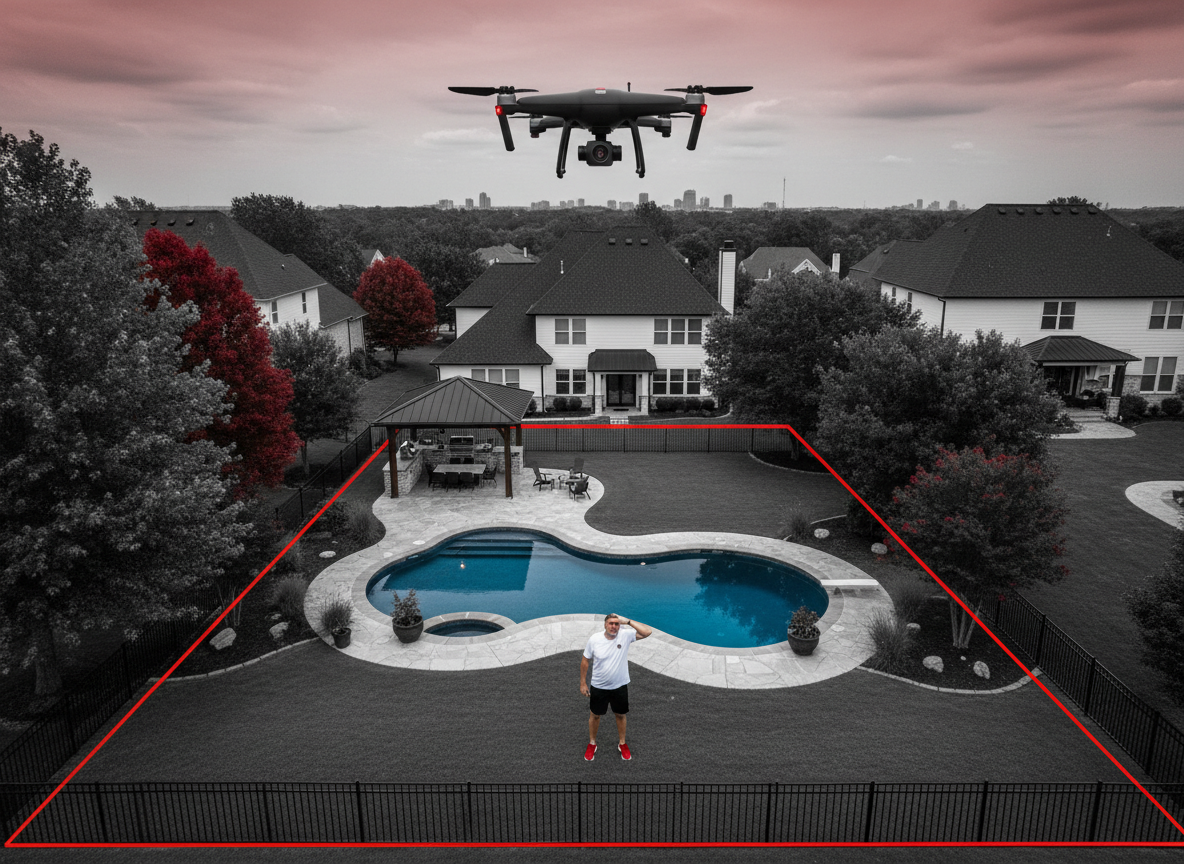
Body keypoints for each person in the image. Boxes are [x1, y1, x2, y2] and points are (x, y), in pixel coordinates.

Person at [579, 613, 652, 761]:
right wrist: (583, 683)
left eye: (616, 624)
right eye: (611, 623)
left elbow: (647, 632)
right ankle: (592, 743)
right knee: (595, 715)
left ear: (620, 625)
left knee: (620, 715)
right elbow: (585, 661)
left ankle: (622, 743)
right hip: (599, 686)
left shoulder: (625, 635)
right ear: (605, 624)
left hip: (619, 686)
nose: (614, 626)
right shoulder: (594, 639)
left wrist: (628, 622)